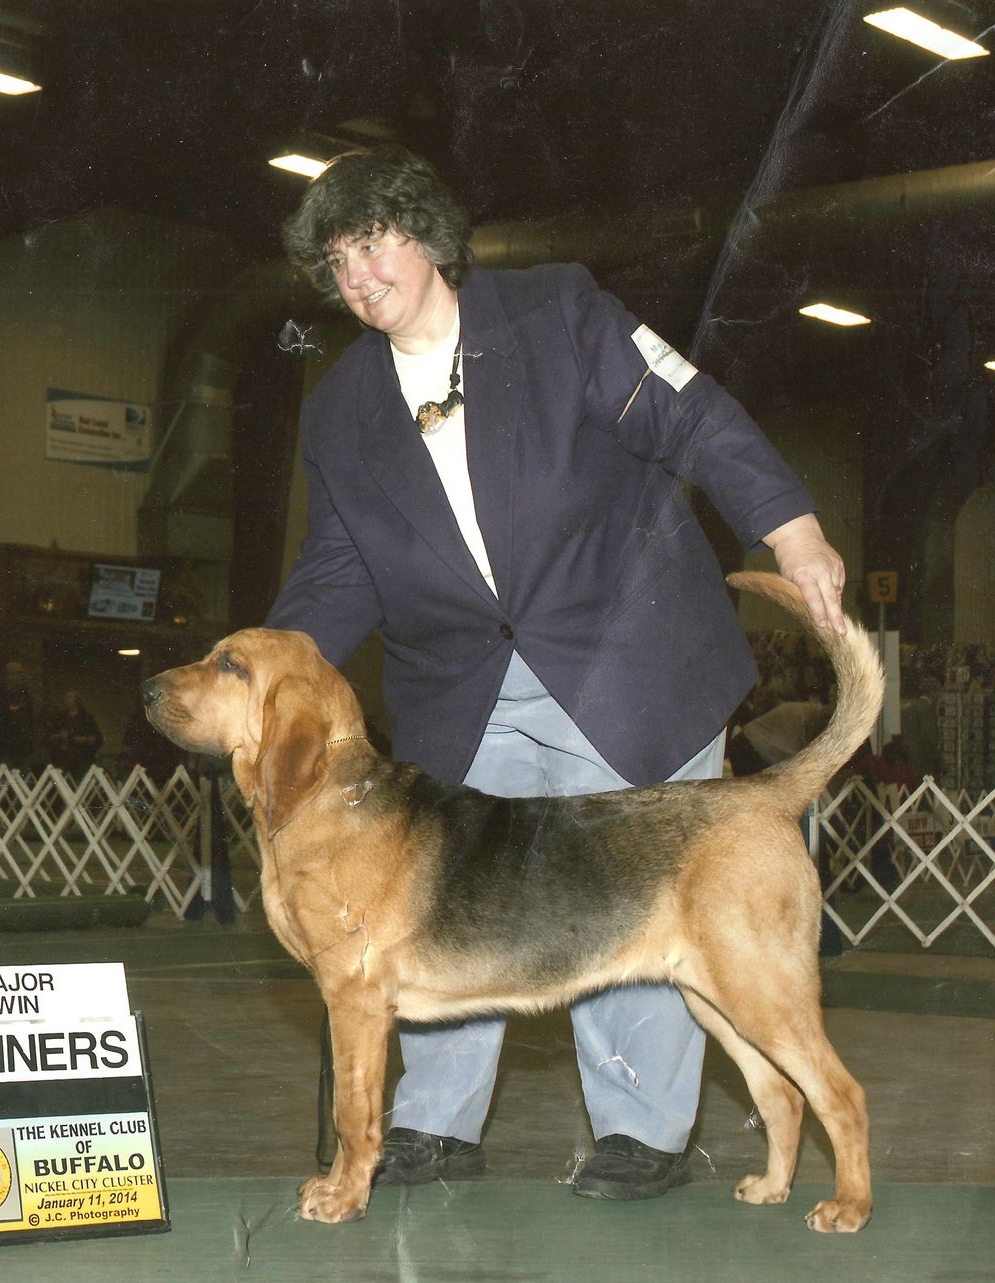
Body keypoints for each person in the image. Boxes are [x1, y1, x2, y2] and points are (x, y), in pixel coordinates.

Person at [267, 146, 847, 1203]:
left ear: (427, 234)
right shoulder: (339, 408)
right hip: (459, 690)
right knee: (436, 903)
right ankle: (431, 1126)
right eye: (336, 263)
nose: (357, 277)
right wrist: (265, 674)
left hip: (624, 661)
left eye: (372, 243)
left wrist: (790, 527)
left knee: (641, 906)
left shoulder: (558, 313)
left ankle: (641, 1131)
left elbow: (691, 411)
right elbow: (338, 566)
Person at [0, 659, 36, 771]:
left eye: (22, 673)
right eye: (18, 673)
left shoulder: (26, 695)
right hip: (2, 750)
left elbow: (30, 719)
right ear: (9, 675)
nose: (22, 676)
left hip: (23, 749)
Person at [45, 690, 103, 778]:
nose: (67, 700)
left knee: (82, 779)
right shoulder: (60, 717)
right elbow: (51, 735)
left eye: (70, 698)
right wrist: (59, 736)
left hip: (82, 756)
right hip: (64, 756)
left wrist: (84, 739)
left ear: (77, 700)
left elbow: (97, 737)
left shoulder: (86, 717)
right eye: (66, 698)